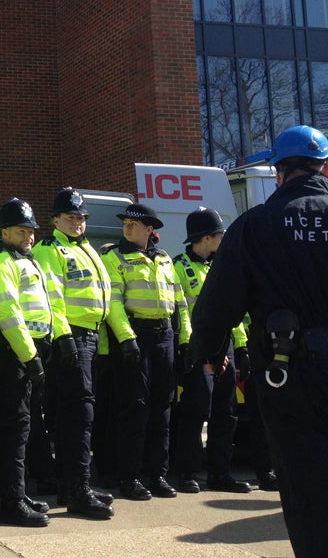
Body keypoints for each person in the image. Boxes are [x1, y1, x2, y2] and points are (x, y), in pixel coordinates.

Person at [191, 125, 328, 558]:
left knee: (305, 485)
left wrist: (209, 356)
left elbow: (214, 308)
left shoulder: (255, 227)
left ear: (278, 173)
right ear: (324, 166)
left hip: (291, 375)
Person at [33, 188, 116, 519]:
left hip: (91, 338)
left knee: (77, 415)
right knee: (79, 414)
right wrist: (64, 336)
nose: (78, 222)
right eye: (71, 217)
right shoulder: (50, 249)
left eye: (81, 217)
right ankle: (78, 488)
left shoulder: (85, 248)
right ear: (55, 219)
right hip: (71, 339)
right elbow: (51, 295)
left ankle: (72, 484)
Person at [0, 198, 60, 527]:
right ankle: (11, 502)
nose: (30, 236)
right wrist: (30, 357)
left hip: (27, 351)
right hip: (11, 353)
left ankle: (18, 491)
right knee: (16, 428)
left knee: (24, 427)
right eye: (22, 230)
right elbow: (8, 313)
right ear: (5, 232)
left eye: (31, 231)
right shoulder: (1, 261)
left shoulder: (23, 260)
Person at [101, 203, 189, 501]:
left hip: (164, 335)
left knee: (162, 408)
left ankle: (158, 474)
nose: (127, 227)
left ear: (150, 229)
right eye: (125, 222)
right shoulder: (115, 257)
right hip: (136, 335)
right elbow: (113, 302)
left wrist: (185, 338)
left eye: (134, 224)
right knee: (134, 408)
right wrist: (127, 339)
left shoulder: (164, 259)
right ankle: (129, 477)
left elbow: (180, 304)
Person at [172, 208, 251, 495]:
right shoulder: (179, 266)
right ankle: (188, 473)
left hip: (224, 346)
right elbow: (181, 312)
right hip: (198, 347)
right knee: (195, 412)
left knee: (225, 412)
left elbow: (234, 312)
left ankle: (220, 473)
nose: (223, 239)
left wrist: (240, 347)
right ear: (207, 237)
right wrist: (196, 351)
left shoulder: (221, 265)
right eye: (220, 234)